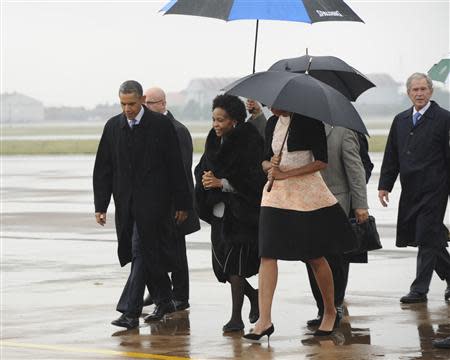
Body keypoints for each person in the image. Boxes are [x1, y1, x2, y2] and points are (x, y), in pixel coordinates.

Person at [244, 109, 357, 341]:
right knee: (267, 254)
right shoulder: (272, 122)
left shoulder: (310, 120)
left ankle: (329, 310)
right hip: (275, 193)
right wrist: (269, 165)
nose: (271, 107)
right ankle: (264, 320)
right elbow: (264, 159)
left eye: (276, 103)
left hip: (306, 193)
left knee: (314, 255)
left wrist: (289, 173)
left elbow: (321, 162)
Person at [93, 80, 192, 329]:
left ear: (141, 100)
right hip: (126, 204)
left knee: (140, 251)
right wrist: (101, 204)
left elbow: (176, 167)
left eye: (132, 104)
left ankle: (130, 310)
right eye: (123, 104)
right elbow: (103, 168)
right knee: (148, 253)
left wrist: (182, 203)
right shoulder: (113, 127)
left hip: (155, 204)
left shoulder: (160, 125)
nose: (127, 109)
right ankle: (164, 299)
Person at [194, 94, 266, 332]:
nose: (216, 124)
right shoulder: (213, 141)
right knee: (221, 268)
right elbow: (203, 167)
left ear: (234, 120)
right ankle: (253, 295)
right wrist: (205, 179)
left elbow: (254, 179)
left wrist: (223, 183)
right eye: (214, 119)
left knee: (235, 266)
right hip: (218, 212)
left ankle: (236, 318)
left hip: (241, 214)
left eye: (221, 120)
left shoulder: (249, 139)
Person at [378, 73, 450, 304]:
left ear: (431, 92)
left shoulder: (444, 118)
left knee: (427, 237)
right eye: (414, 90)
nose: (419, 93)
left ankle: (419, 290)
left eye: (423, 89)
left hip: (436, 188)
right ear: (408, 93)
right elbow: (391, 154)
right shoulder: (400, 120)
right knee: (428, 236)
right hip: (410, 189)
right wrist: (384, 185)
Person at [142, 86, 200, 319]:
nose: (145, 109)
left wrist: (181, 204)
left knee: (176, 251)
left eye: (149, 104)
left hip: (175, 203)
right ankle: (159, 292)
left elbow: (183, 171)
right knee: (157, 249)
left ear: (163, 104)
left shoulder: (178, 130)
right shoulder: (150, 129)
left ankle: (181, 296)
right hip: (156, 202)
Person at [306, 124, 369, 326]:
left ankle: (336, 304)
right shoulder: (301, 128)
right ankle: (322, 308)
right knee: (312, 257)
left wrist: (360, 205)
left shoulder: (343, 131)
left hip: (338, 203)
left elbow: (356, 170)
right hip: (307, 202)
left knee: (337, 258)